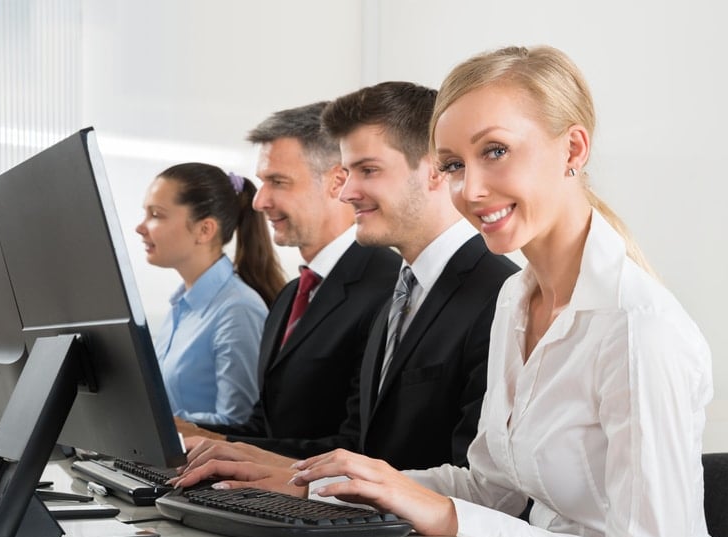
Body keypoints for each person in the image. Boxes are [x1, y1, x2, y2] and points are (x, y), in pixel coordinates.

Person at [195, 46, 720, 537]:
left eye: (495, 151)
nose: (470, 190)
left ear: (573, 149)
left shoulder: (635, 330)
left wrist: (446, 515)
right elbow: (492, 488)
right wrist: (331, 485)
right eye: (452, 164)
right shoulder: (517, 300)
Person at [177, 81, 517, 477]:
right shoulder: (401, 292)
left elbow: (485, 488)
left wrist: (298, 483)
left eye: (368, 170)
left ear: (436, 170)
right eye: (349, 172)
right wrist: (236, 455)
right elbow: (358, 448)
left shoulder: (500, 296)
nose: (347, 192)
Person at [176, 102, 401, 451]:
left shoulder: (389, 289)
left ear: (337, 183)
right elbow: (265, 426)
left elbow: (355, 446)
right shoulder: (291, 294)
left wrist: (223, 446)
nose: (259, 200)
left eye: (277, 182)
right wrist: (187, 432)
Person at [136, 162, 284, 426]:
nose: (141, 227)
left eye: (156, 214)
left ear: (204, 230)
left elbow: (238, 423)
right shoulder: (181, 305)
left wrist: (151, 426)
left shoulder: (238, 310)